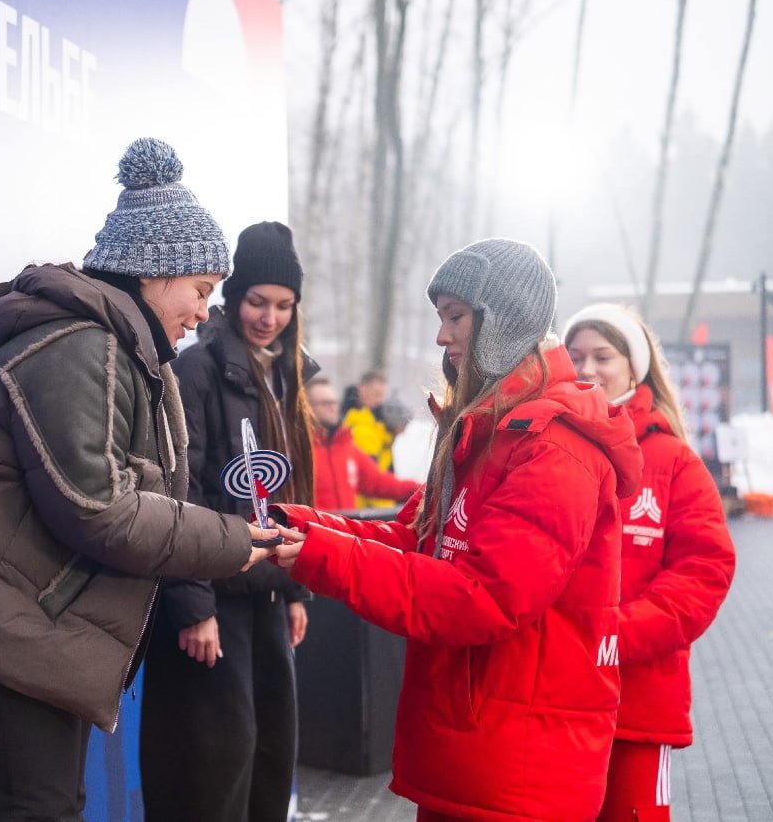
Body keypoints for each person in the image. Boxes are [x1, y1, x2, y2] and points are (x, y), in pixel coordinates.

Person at [0, 137, 275, 821]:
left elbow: (150, 503)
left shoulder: (130, 352)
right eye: (200, 290)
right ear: (153, 271)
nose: (204, 312)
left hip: (29, 631)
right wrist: (234, 540)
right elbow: (101, 509)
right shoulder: (86, 345)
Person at [270, 239, 644, 822]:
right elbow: (415, 537)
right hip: (475, 755)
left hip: (515, 770)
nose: (442, 336)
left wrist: (324, 556)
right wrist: (298, 527)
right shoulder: (493, 433)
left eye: (455, 317)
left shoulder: (553, 448)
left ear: (505, 323)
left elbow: (485, 598)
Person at [139, 220, 316, 822]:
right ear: (234, 296)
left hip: (265, 595)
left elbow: (291, 492)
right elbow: (176, 488)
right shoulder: (197, 370)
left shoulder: (287, 374)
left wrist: (294, 588)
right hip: (211, 596)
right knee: (213, 768)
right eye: (257, 301)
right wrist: (193, 603)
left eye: (284, 305)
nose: (270, 317)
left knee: (270, 757)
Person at [563, 303, 736, 822]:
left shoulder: (673, 462)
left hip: (636, 704)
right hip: (556, 699)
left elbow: (703, 573)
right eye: (574, 357)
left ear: (634, 369)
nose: (586, 370)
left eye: (602, 356)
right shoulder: (549, 447)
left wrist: (614, 636)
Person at [306, 378, 420, 511]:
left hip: (343, 529)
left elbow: (377, 482)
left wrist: (421, 488)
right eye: (325, 403)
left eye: (334, 402)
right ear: (306, 406)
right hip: (315, 529)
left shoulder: (346, 446)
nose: (332, 407)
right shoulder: (299, 451)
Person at [342, 369, 402, 507]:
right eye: (376, 394)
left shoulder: (371, 423)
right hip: (370, 508)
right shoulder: (362, 428)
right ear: (362, 390)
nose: (380, 401)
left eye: (382, 396)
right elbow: (370, 479)